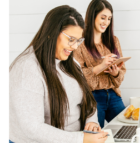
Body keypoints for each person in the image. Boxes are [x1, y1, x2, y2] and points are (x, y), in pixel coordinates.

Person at [9, 5, 108, 143]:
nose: (74, 47)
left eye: (78, 41)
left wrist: (92, 122)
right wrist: (82, 139)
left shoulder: (72, 64)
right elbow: (32, 128)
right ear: (52, 33)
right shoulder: (27, 68)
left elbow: (89, 103)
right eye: (71, 39)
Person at [73, 0, 126, 128]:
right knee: (96, 135)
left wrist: (115, 73)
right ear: (92, 16)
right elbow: (75, 76)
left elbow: (122, 72)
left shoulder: (114, 41)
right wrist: (99, 67)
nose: (106, 22)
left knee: (127, 130)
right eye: (103, 18)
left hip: (113, 95)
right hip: (93, 98)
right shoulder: (79, 44)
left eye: (109, 19)